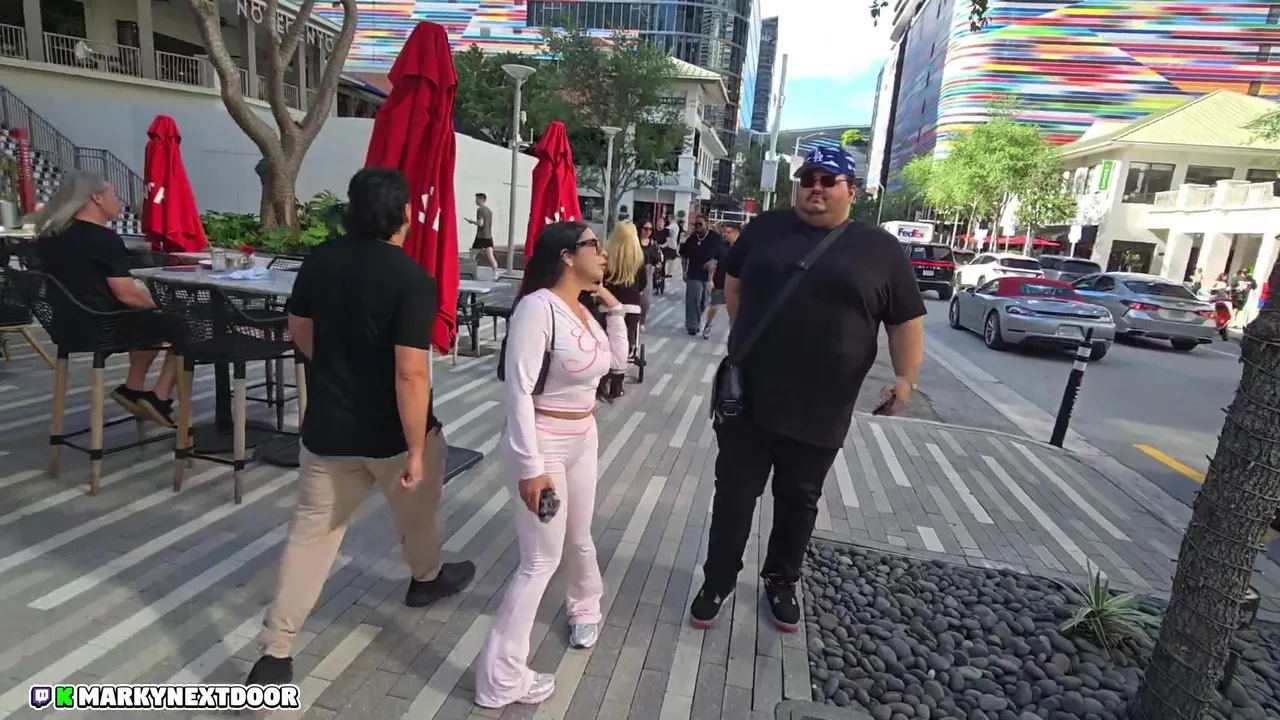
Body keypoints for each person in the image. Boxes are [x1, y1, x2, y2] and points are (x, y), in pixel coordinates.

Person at [246, 168, 476, 686]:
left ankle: (276, 652)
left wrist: (334, 369)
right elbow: (410, 372)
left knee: (312, 536)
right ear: (405, 215)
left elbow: (299, 329)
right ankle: (426, 578)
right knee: (417, 509)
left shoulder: (320, 260)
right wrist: (415, 450)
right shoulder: (412, 280)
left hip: (328, 430)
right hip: (393, 433)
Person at [690, 147, 926, 632]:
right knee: (734, 495)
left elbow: (905, 321)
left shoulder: (880, 249)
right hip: (748, 399)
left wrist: (906, 378)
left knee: (799, 501)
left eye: (828, 180)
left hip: (822, 407)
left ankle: (781, 580)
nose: (815, 187)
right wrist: (744, 336)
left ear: (850, 191)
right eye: (808, 179)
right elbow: (733, 283)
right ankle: (718, 580)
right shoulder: (765, 229)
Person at [474, 221, 628, 709]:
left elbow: (618, 364)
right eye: (593, 245)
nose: (603, 253)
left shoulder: (581, 309)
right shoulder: (538, 308)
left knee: (579, 536)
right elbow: (518, 391)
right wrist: (531, 466)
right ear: (566, 255)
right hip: (543, 443)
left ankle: (585, 605)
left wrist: (613, 308)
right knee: (540, 559)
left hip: (584, 437)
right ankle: (500, 678)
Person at [31, 170, 177, 427]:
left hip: (65, 326)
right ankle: (159, 397)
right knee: (185, 326)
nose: (118, 201)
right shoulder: (103, 238)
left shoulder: (50, 237)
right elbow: (127, 295)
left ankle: (133, 389)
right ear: (96, 198)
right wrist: (167, 307)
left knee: (150, 323)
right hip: (104, 326)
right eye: (114, 195)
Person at [603, 221, 648, 358]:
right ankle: (627, 350)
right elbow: (643, 283)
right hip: (631, 306)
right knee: (628, 334)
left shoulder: (607, 257)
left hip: (607, 304)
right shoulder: (638, 259)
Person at [680, 216, 725, 336]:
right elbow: (684, 256)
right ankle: (692, 324)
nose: (697, 226)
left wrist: (713, 262)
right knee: (693, 298)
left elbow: (721, 254)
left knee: (704, 301)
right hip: (693, 273)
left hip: (709, 276)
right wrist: (684, 271)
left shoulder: (715, 238)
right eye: (695, 224)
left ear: (707, 224)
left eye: (700, 224)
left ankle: (696, 319)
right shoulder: (691, 239)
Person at [702, 222, 739, 338]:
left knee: (734, 311)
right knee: (715, 306)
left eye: (728, 232)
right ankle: (708, 325)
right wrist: (710, 280)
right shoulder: (721, 247)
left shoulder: (742, 248)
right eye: (724, 232)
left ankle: (734, 333)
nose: (725, 234)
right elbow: (712, 264)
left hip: (736, 284)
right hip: (720, 281)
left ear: (736, 233)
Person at [466, 192, 497, 272]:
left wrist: (471, 222)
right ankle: (495, 273)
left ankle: (471, 271)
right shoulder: (489, 211)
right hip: (488, 236)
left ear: (481, 199)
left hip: (480, 236)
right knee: (491, 257)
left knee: (472, 255)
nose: (475, 201)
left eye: (477, 199)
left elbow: (480, 223)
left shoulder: (480, 210)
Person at [639, 220, 665, 300]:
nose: (648, 231)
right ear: (640, 228)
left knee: (646, 300)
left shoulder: (654, 244)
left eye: (650, 229)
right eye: (645, 228)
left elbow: (658, 260)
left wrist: (657, 266)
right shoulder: (634, 242)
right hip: (635, 273)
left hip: (648, 274)